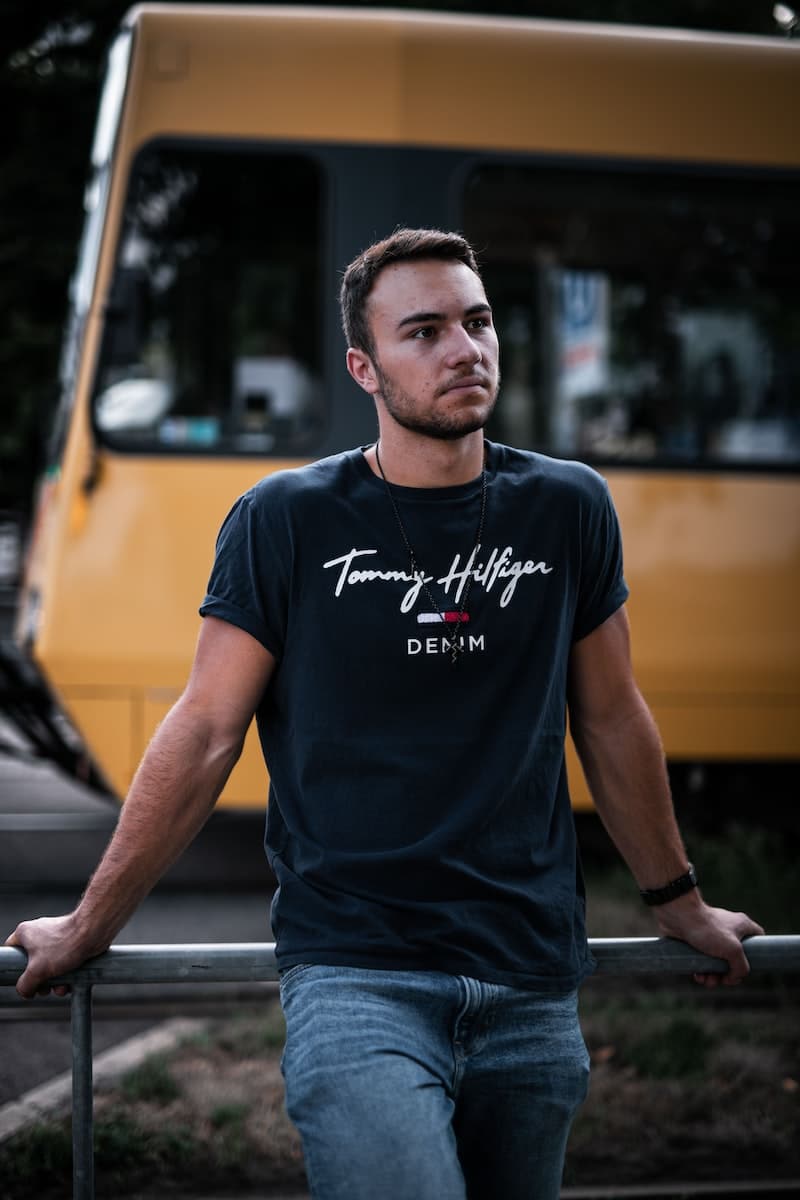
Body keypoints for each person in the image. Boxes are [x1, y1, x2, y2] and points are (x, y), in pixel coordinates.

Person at [7, 228, 763, 1200]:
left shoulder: (567, 507)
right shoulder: (287, 518)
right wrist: (89, 924)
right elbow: (203, 732)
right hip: (358, 977)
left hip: (530, 976)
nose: (464, 348)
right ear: (363, 366)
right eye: (424, 330)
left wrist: (678, 902)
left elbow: (611, 720)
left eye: (477, 320)